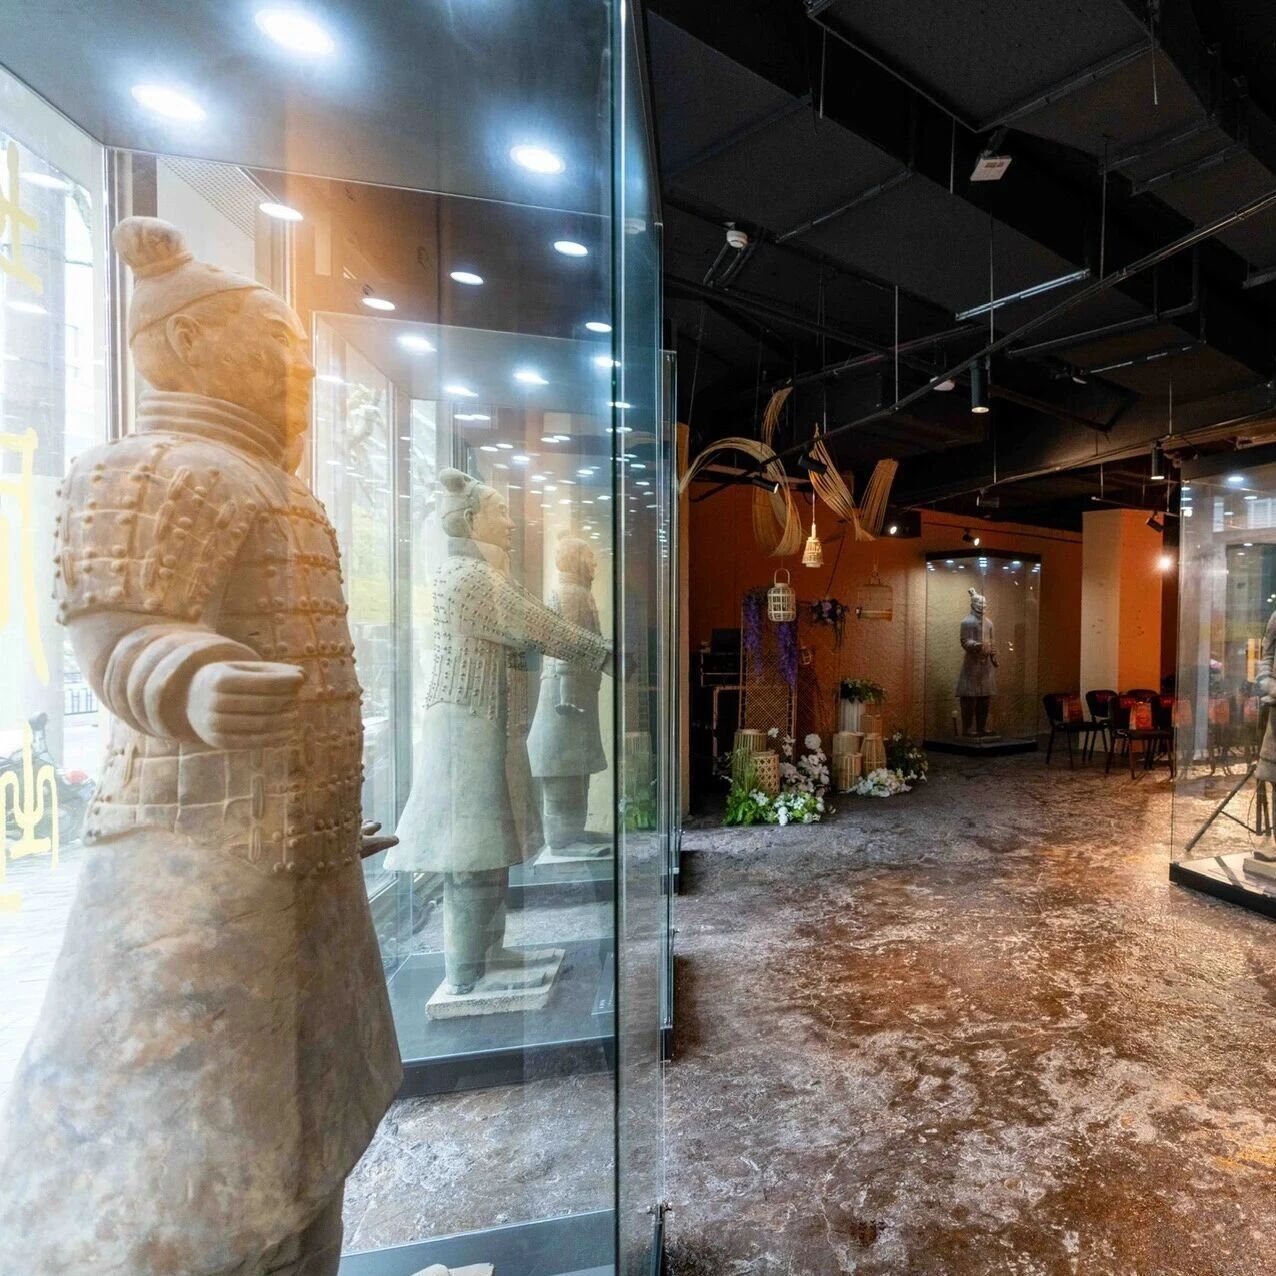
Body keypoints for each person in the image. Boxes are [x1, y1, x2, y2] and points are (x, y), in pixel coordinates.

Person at [0, 216, 401, 1276]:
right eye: (276, 347)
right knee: (192, 1171)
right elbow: (119, 632)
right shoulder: (156, 469)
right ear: (184, 343)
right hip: (197, 872)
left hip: (300, 866)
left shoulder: (278, 490)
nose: (296, 371)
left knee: (306, 1148)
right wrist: (194, 679)